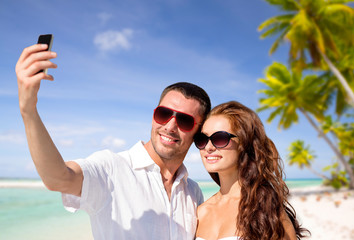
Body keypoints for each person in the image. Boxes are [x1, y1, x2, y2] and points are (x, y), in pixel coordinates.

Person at [15, 43, 211, 240]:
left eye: (184, 120)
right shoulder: (111, 168)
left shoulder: (193, 192)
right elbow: (58, 178)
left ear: (198, 132)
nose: (170, 126)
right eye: (164, 113)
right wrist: (28, 111)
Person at [194, 101, 309, 240]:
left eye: (220, 138)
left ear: (245, 142)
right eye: (202, 139)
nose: (208, 147)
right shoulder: (200, 212)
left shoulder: (266, 211)